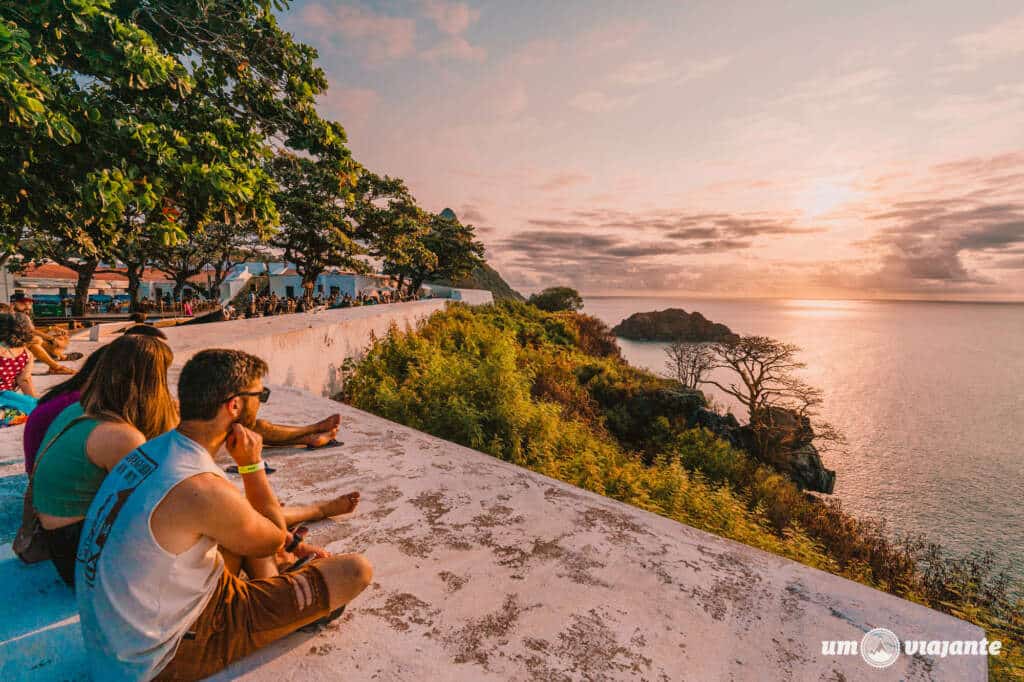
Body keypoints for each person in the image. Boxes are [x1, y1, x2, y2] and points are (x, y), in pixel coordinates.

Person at [76, 349, 371, 680]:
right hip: (161, 657)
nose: (261, 403)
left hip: (119, 640)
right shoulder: (200, 486)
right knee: (353, 571)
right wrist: (251, 464)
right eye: (260, 396)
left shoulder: (153, 451)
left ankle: (274, 586)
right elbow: (272, 536)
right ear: (235, 405)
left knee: (242, 531)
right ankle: (281, 600)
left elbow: (245, 522)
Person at [32, 335, 179, 585]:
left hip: (61, 541)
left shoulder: (79, 409)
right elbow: (161, 495)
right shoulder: (120, 436)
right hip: (84, 558)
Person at [0, 313, 38, 427]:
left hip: (4, 397)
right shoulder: (26, 355)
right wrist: (35, 404)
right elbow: (24, 380)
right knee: (31, 406)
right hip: (6, 395)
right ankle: (5, 415)